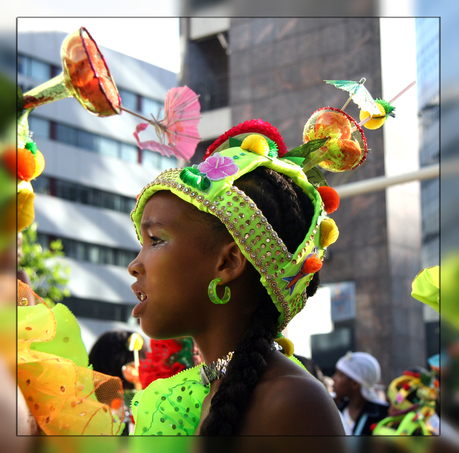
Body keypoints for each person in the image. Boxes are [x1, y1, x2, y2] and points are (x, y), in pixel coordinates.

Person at [127, 119, 345, 436]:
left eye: (156, 240)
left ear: (229, 262)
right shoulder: (191, 396)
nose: (135, 265)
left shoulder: (292, 404)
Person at [332, 351, 388, 435]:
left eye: (340, 375)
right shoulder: (334, 409)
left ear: (355, 384)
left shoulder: (383, 415)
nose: (334, 378)